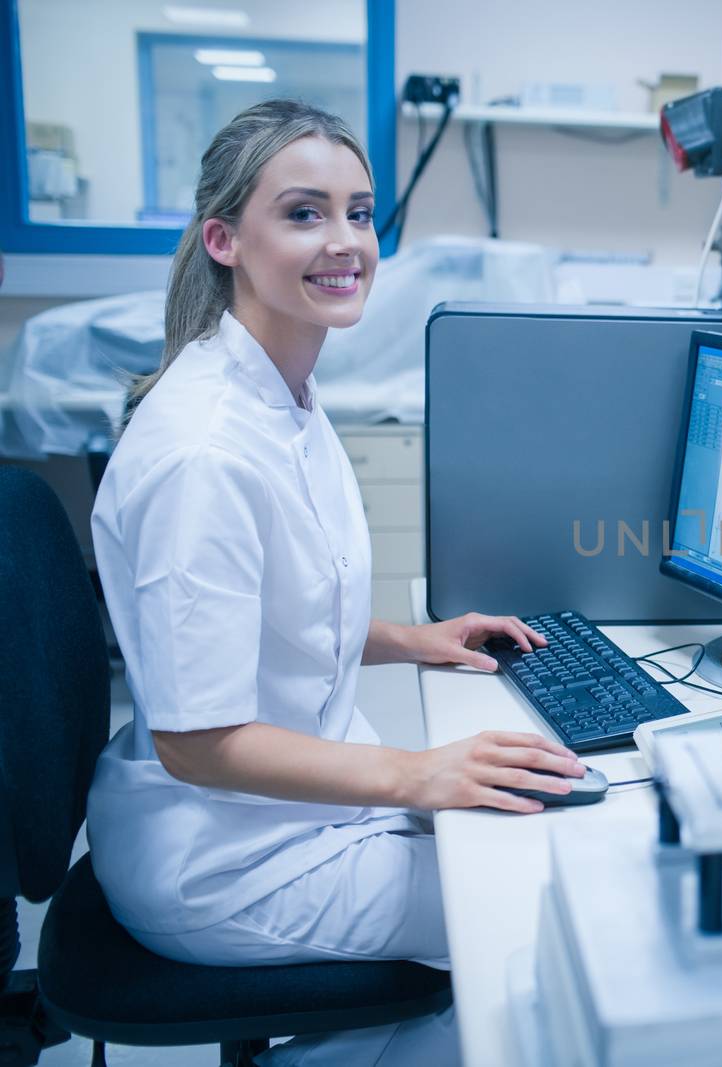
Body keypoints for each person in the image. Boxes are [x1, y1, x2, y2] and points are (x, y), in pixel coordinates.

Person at [87, 99, 577, 1066]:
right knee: (543, 925)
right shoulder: (205, 452)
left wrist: (409, 637)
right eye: (304, 213)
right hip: (224, 854)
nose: (344, 240)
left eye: (359, 212)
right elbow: (198, 741)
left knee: (531, 857)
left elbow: (266, 604)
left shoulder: (284, 390)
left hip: (282, 807)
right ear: (224, 238)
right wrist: (413, 773)